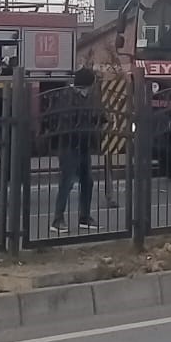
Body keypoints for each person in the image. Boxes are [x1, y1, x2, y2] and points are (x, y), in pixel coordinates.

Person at [50, 66, 98, 234]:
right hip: (69, 145)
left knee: (88, 181)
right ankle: (57, 219)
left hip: (83, 144)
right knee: (67, 181)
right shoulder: (67, 96)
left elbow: (93, 116)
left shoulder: (87, 98)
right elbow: (64, 119)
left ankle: (84, 217)